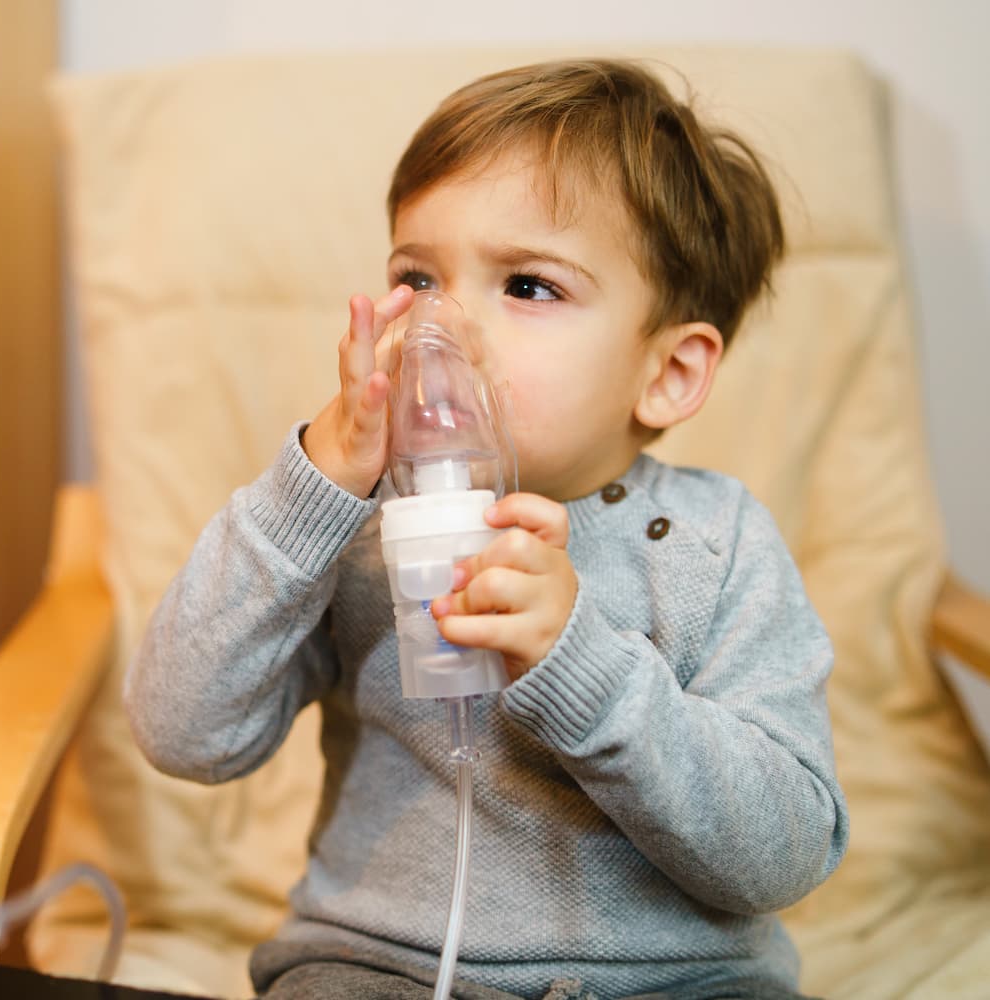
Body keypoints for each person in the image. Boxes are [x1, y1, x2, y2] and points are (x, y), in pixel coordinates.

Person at [125, 59, 848, 1000]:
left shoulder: (717, 545)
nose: (442, 324)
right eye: (416, 277)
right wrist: (311, 486)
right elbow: (186, 732)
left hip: (683, 980)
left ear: (668, 373)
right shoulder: (353, 528)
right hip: (378, 964)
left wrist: (586, 668)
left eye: (531, 287)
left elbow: (785, 848)